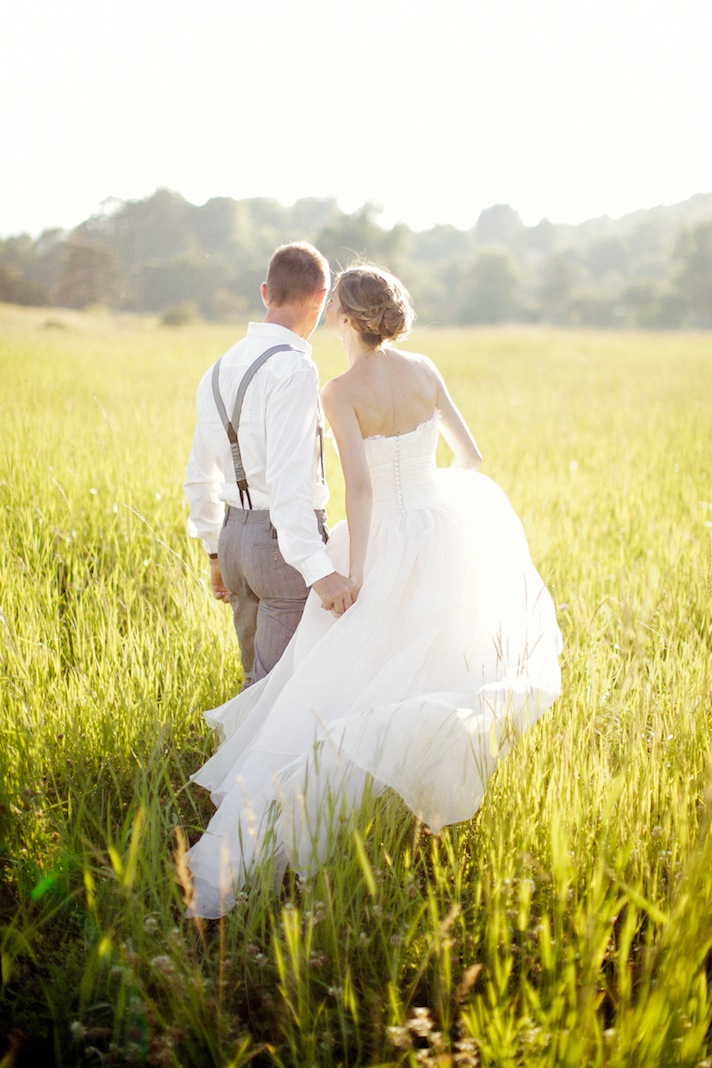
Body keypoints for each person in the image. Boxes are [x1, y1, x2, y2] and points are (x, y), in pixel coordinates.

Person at [185, 264, 563, 919]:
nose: (330, 320)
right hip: (438, 531)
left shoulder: (339, 391)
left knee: (337, 680)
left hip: (380, 536)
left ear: (351, 321)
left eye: (337, 312)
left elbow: (358, 488)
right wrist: (429, 498)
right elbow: (469, 457)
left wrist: (357, 571)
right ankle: (419, 813)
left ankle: (305, 825)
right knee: (431, 669)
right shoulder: (427, 371)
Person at [184, 242, 359, 687]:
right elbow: (288, 480)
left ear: (266, 292)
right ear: (322, 297)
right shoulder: (295, 368)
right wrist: (318, 569)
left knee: (253, 684)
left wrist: (214, 552)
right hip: (282, 548)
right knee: (277, 695)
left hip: (233, 540)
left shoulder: (216, 368)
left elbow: (198, 474)